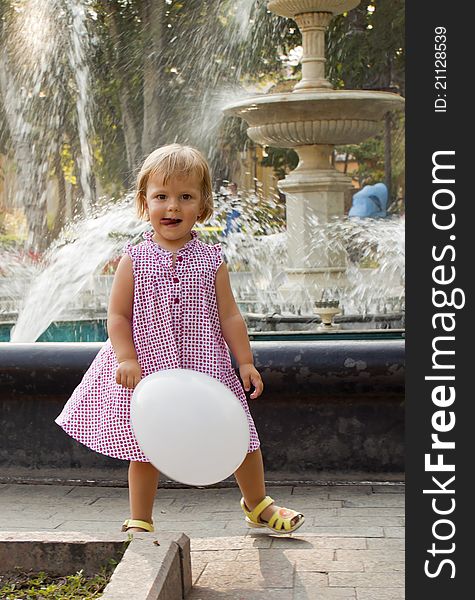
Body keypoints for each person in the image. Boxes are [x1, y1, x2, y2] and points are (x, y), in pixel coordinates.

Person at [55, 144, 304, 535]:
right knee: (146, 444)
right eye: (162, 197)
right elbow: (118, 315)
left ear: (202, 206)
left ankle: (258, 505)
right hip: (149, 366)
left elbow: (230, 315)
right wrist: (126, 358)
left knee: (241, 436)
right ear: (145, 203)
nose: (172, 207)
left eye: (185, 197)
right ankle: (141, 518)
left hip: (207, 365)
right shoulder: (133, 258)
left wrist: (245, 362)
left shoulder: (211, 258)